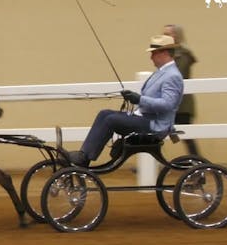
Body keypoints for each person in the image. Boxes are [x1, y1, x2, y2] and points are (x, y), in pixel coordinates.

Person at [67, 35, 184, 168]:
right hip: (145, 118)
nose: (151, 57)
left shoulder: (172, 75)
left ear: (165, 53)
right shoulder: (162, 72)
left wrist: (139, 99)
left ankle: (85, 158)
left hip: (155, 125)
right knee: (104, 113)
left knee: (111, 120)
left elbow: (168, 104)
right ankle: (84, 156)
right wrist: (132, 97)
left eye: (153, 53)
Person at [163, 24, 200, 156]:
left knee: (186, 137)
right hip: (171, 103)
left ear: (177, 36)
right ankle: (149, 163)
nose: (164, 36)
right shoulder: (169, 54)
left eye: (168, 34)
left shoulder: (183, 55)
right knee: (160, 132)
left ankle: (198, 165)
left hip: (181, 104)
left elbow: (177, 75)